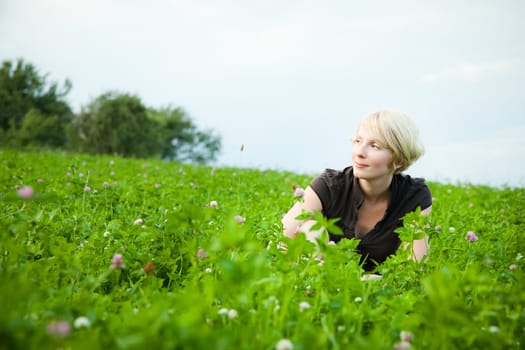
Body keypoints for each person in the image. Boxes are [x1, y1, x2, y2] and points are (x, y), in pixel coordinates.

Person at [282, 109, 432, 274]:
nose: (359, 152)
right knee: (311, 228)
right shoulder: (329, 185)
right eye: (358, 141)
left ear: (399, 160)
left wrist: (380, 283)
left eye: (374, 146)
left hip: (378, 293)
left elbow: (415, 268)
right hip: (320, 283)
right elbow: (279, 243)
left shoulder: (414, 196)